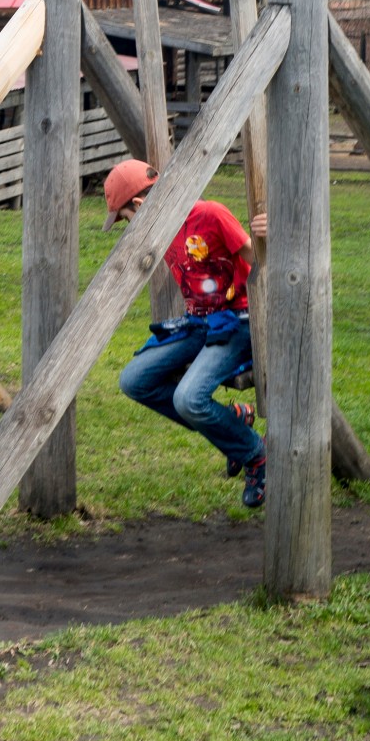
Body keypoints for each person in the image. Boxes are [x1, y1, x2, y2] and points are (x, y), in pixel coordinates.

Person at [103, 158, 268, 508]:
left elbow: (259, 259)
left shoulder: (210, 214)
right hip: (197, 324)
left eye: (125, 218)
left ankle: (256, 453)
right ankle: (234, 422)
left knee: (188, 400)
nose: (126, 226)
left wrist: (272, 234)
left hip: (237, 321)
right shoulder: (161, 228)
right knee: (134, 380)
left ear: (139, 204)